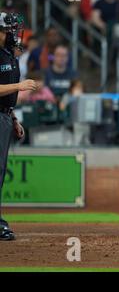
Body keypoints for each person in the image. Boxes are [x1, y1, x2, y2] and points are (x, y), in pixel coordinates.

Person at [0, 12, 37, 240]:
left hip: (4, 116)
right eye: (9, 30)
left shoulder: (9, 55)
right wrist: (19, 86)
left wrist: (12, 118)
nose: (14, 34)